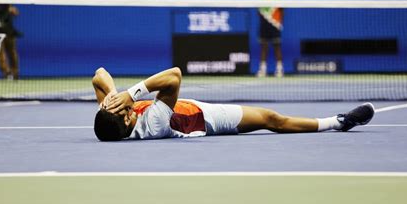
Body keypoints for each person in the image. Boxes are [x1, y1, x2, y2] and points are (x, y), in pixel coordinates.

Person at [92, 67, 375, 141]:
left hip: (191, 108)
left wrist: (114, 94)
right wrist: (132, 93)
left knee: (270, 118)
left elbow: (99, 75)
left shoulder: (112, 117)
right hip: (207, 120)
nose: (125, 105)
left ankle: (337, 122)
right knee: (271, 119)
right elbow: (174, 77)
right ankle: (339, 123)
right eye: (126, 109)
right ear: (129, 121)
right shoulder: (151, 125)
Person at [256, 0, 284, 77]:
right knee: (264, 48)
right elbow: (258, 13)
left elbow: (281, 12)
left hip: (275, 26)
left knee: (277, 47)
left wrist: (278, 24)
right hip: (264, 26)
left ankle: (280, 69)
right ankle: (263, 70)